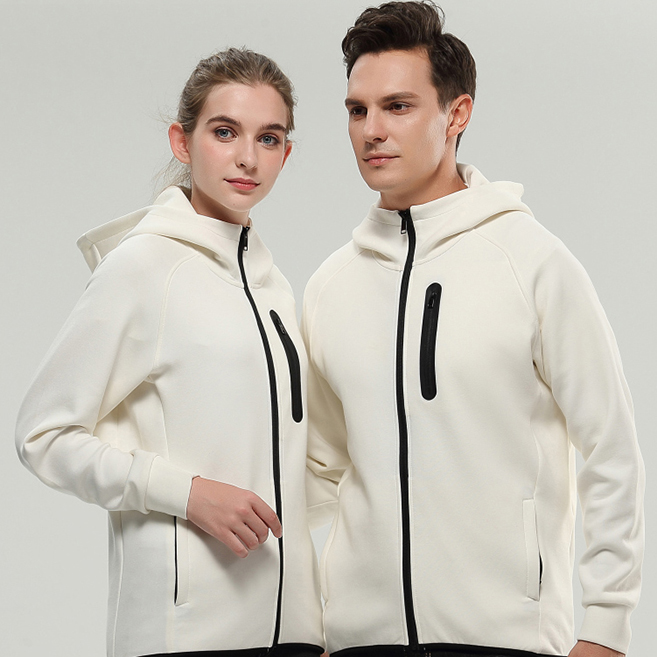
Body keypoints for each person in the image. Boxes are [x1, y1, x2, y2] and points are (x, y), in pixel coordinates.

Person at [302, 3, 644, 657]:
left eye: (397, 106)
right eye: (357, 110)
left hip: (503, 640)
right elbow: (318, 472)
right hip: (357, 644)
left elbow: (611, 449)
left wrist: (605, 627)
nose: (372, 130)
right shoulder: (330, 285)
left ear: (456, 114)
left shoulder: (532, 263)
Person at [16, 47, 323, 657]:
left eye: (268, 138)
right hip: (182, 634)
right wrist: (187, 492)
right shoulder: (143, 267)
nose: (247, 157)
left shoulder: (275, 289)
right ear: (182, 142)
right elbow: (43, 436)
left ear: (286, 154)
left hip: (291, 635)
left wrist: (317, 623)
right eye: (225, 131)